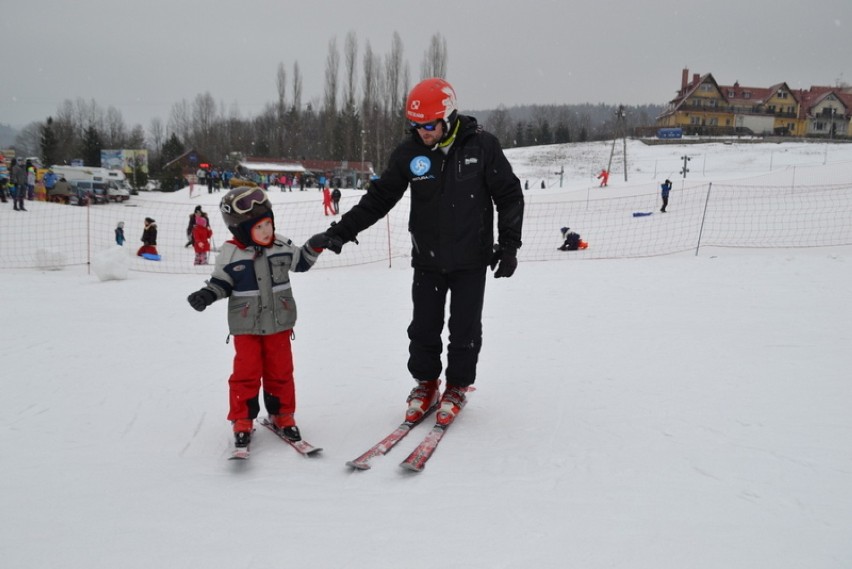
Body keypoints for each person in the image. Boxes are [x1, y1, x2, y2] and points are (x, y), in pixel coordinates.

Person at [315, 77, 524, 428]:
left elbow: (509, 195)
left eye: (429, 125)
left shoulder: (482, 147)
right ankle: (426, 384)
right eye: (416, 125)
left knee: (464, 329)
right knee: (423, 328)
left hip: (471, 259)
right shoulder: (410, 153)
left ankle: (457, 386)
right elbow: (379, 199)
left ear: (448, 116)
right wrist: (341, 231)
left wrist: (509, 246)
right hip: (427, 258)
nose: (423, 132)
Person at [186, 186, 339, 452]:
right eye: (260, 227)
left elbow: (300, 261)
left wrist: (317, 243)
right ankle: (242, 419)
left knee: (281, 372)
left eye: (269, 223)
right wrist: (207, 294)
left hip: (279, 324)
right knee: (246, 374)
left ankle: (282, 414)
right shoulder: (230, 254)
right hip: (247, 328)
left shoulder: (280, 245)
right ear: (242, 230)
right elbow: (221, 283)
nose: (267, 231)